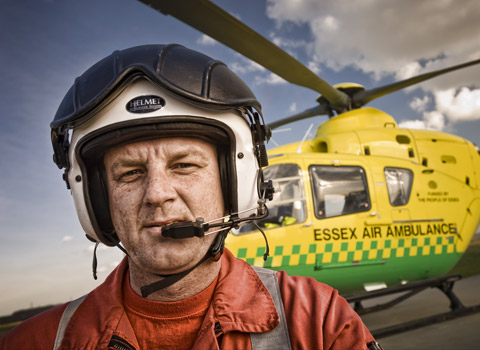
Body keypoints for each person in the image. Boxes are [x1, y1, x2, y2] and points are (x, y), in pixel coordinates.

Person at [0, 44, 381, 350]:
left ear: (235, 182)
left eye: (184, 165)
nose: (158, 195)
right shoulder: (32, 342)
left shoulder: (319, 321)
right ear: (97, 202)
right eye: (130, 173)